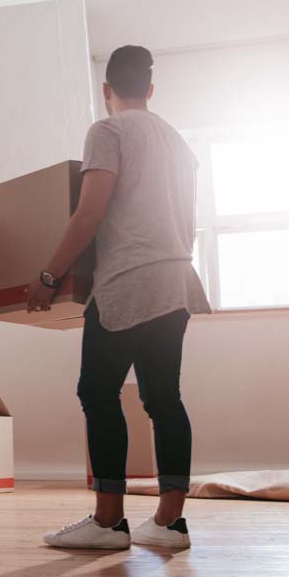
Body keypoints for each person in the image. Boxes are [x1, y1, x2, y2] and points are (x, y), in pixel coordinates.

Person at [28, 46, 211, 550]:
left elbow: (89, 213)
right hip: (176, 281)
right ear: (150, 90)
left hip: (128, 281)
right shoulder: (179, 143)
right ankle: (169, 523)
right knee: (164, 398)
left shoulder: (107, 131)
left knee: (97, 393)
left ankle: (108, 522)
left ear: (106, 91)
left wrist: (49, 275)